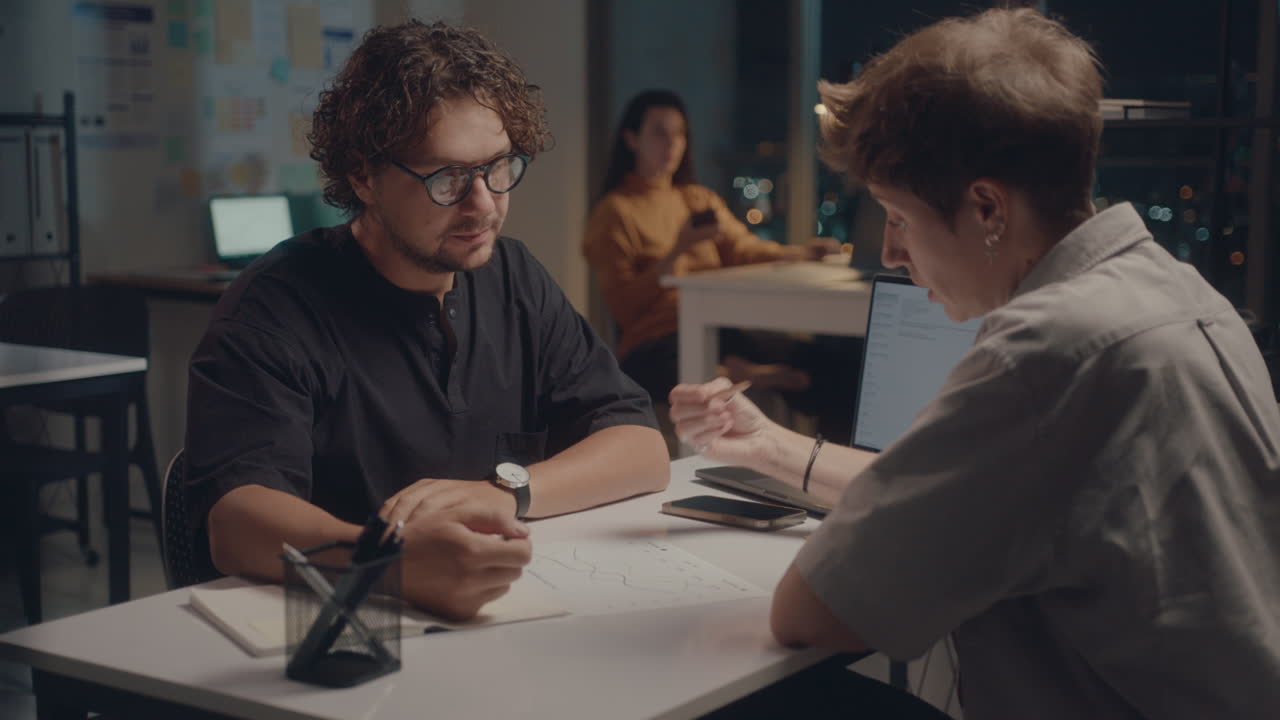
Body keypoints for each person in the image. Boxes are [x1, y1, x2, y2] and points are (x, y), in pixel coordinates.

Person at [670, 8, 1280, 718]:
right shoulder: (1177, 292)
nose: (893, 254)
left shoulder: (1048, 348)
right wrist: (772, 445)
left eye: (898, 218)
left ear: (988, 207)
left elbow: (813, 612)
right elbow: (974, 496)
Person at [184, 20, 669, 621]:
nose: (484, 204)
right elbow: (237, 523)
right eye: (447, 179)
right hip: (348, 635)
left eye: (498, 167)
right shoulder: (274, 308)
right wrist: (393, 565)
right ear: (363, 176)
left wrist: (504, 494)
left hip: (503, 623)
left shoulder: (514, 277)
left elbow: (642, 447)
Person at [582, 90, 846, 418]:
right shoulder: (614, 212)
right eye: (660, 132)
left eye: (679, 133)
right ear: (631, 139)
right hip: (656, 340)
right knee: (684, 363)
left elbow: (744, 249)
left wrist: (801, 252)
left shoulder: (696, 198)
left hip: (718, 326)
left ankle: (742, 373)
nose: (672, 144)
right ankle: (736, 373)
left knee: (829, 364)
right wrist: (679, 249)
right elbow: (624, 307)